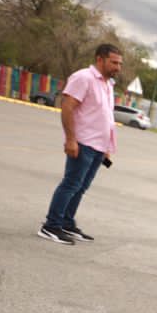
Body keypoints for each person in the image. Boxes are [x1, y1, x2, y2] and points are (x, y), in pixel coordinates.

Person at [38, 42, 122, 244]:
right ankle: (51, 226)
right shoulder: (84, 78)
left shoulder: (108, 84)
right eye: (114, 63)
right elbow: (67, 107)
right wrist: (70, 139)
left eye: (120, 64)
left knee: (81, 187)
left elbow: (104, 116)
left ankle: (66, 223)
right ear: (100, 59)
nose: (118, 67)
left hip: (98, 146)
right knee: (71, 184)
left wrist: (107, 147)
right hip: (83, 142)